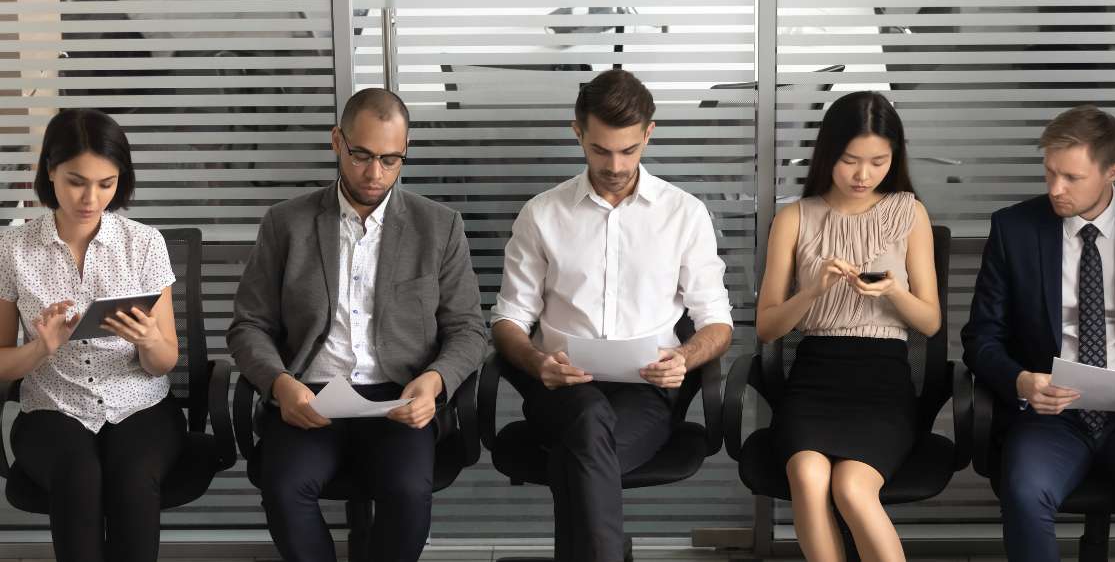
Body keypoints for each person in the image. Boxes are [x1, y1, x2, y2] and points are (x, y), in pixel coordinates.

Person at [228, 88, 487, 562]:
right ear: (337, 142)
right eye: (362, 155)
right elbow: (249, 325)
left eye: (391, 160)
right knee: (284, 488)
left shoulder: (439, 226)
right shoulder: (287, 223)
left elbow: (469, 329)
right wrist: (280, 384)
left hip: (398, 399)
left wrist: (434, 381)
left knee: (408, 491)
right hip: (311, 397)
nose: (375, 173)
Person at [491, 69, 734, 562]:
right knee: (586, 421)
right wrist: (538, 364)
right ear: (577, 133)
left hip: (644, 393)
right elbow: (508, 320)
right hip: (560, 388)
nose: (616, 165)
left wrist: (685, 357)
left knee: (582, 450)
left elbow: (718, 321)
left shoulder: (684, 214)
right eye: (601, 150)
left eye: (628, 150)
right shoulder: (541, 214)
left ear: (649, 133)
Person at [961, 105, 1115, 562]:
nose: (1055, 189)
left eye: (1071, 177)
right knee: (1025, 493)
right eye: (1049, 172)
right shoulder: (1014, 229)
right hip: (1051, 414)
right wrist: (1020, 381)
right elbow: (981, 337)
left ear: (1113, 171)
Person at [755, 91, 940, 562]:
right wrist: (812, 290)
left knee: (854, 487)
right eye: (849, 160)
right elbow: (767, 328)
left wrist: (895, 292)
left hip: (883, 382)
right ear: (826, 155)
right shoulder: (794, 217)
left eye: (878, 162)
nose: (863, 175)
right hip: (815, 379)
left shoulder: (909, 212)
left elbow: (931, 323)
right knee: (808, 476)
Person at [0, 108, 184, 562]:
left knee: (132, 479)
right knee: (78, 477)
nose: (91, 198)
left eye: (107, 183)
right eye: (76, 181)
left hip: (140, 404)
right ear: (50, 172)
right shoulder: (12, 249)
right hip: (52, 407)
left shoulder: (144, 244)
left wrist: (146, 340)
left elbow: (166, 361)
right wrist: (41, 347)